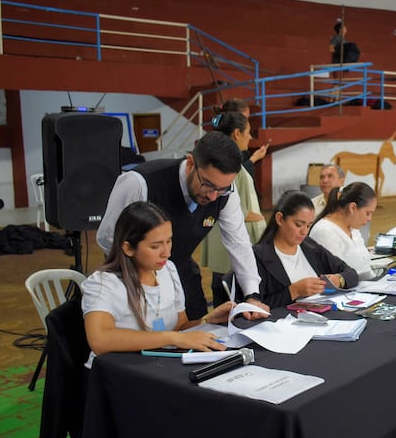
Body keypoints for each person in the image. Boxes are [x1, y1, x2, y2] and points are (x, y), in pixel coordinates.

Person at [97, 131, 269, 321]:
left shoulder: (225, 192)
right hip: (135, 279)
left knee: (200, 329)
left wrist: (252, 295)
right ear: (190, 164)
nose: (213, 196)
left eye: (221, 189)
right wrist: (145, 278)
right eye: (208, 185)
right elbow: (109, 238)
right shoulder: (139, 182)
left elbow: (239, 244)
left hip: (182, 273)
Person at [83, 202, 231, 364]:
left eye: (169, 241)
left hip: (157, 366)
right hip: (116, 374)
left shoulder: (168, 270)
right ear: (128, 248)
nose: (166, 252)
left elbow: (179, 326)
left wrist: (206, 320)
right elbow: (100, 340)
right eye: (155, 246)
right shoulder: (104, 283)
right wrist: (172, 338)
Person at [201, 112, 267, 307]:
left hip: (227, 237)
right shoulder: (228, 166)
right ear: (237, 133)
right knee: (227, 289)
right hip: (230, 237)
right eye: (248, 132)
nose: (251, 137)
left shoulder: (229, 162)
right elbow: (240, 209)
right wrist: (259, 219)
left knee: (223, 282)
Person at [254, 190, 359, 308]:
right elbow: (254, 307)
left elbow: (351, 273)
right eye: (298, 224)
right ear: (280, 219)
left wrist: (339, 280)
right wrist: (293, 292)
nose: (304, 231)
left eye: (308, 225)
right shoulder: (259, 256)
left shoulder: (310, 247)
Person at [310, 182, 377, 280]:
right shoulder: (324, 232)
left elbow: (365, 268)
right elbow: (334, 277)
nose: (369, 219)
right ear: (352, 207)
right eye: (367, 213)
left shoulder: (353, 228)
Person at [216, 98, 270, 182]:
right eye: (244, 118)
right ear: (237, 133)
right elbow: (237, 178)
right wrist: (253, 159)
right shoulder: (223, 156)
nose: (250, 137)